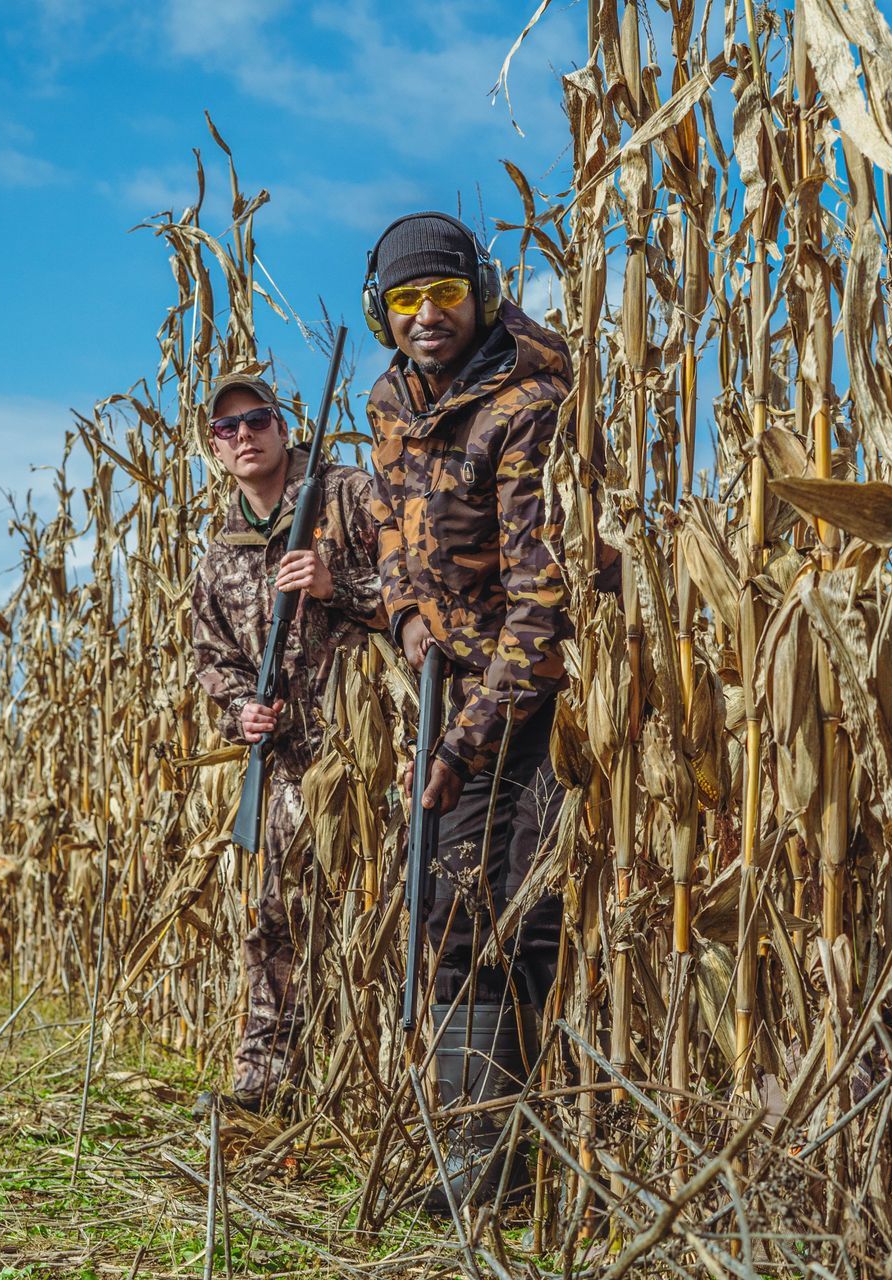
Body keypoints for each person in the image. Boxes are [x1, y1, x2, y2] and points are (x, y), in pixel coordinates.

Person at [361, 211, 576, 1211]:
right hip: (449, 694)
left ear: (479, 295)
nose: (425, 315)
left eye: (443, 293)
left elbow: (545, 603)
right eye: (405, 300)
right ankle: (474, 1160)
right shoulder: (392, 402)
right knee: (450, 917)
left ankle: (488, 1173)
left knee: (503, 927)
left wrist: (467, 737)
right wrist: (406, 617)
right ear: (382, 312)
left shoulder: (529, 405)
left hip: (527, 706)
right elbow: (394, 540)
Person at [188, 369, 385, 1112]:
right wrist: (243, 711)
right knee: (275, 923)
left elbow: (423, 593)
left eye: (257, 419)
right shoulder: (219, 557)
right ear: (215, 445)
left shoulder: (349, 497)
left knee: (387, 910)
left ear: (283, 425)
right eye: (227, 428)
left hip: (377, 758)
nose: (244, 435)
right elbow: (213, 660)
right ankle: (264, 1087)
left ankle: (382, 1086)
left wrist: (342, 587)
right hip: (287, 771)